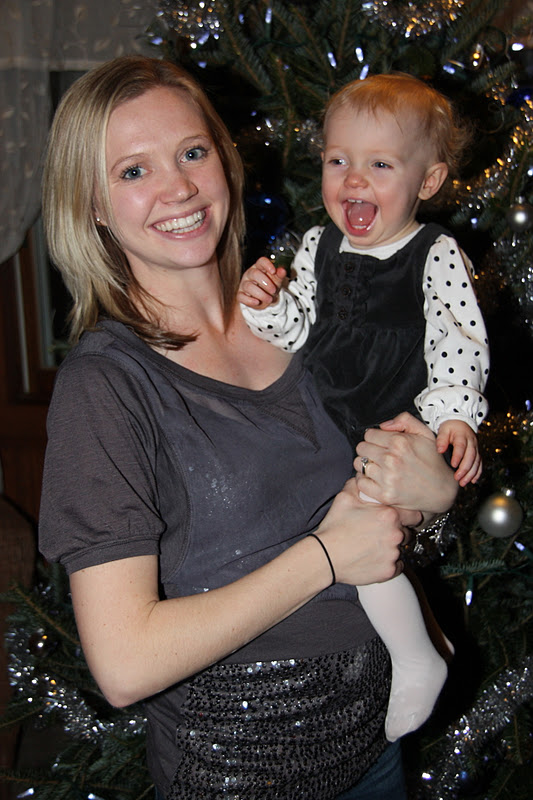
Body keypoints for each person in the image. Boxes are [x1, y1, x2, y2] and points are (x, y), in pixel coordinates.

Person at [38, 57, 458, 800]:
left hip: (378, 750)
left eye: (192, 152)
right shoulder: (105, 387)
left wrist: (433, 503)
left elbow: (377, 528)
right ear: (94, 206)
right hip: (241, 777)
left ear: (224, 161)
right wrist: (323, 557)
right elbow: (124, 665)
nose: (178, 188)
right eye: (133, 171)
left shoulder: (303, 314)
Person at [238, 73, 490, 742]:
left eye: (380, 165)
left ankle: (416, 658)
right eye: (338, 161)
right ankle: (422, 640)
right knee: (335, 534)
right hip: (326, 426)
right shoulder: (317, 245)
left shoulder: (433, 253)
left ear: (427, 182)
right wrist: (269, 306)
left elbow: (457, 339)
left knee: (361, 531)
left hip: (396, 428)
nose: (354, 179)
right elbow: (298, 332)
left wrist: (454, 417)